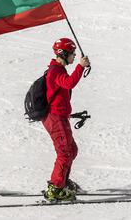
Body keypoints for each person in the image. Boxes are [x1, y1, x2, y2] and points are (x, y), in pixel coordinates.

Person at [42, 38, 90, 201]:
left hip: (60, 117)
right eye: (73, 53)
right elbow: (69, 84)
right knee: (64, 153)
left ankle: (63, 181)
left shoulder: (59, 70)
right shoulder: (55, 71)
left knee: (72, 150)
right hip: (54, 118)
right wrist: (80, 67)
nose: (75, 56)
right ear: (64, 53)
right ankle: (55, 189)